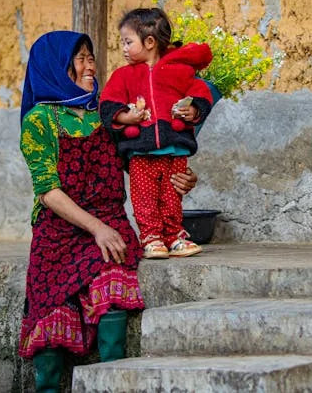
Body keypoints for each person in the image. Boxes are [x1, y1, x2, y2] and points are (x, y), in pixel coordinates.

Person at [18, 30, 198, 391]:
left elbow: (140, 162)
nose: (91, 65)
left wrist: (179, 176)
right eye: (81, 59)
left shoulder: (106, 113)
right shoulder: (39, 121)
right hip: (59, 232)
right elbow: (48, 192)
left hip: (110, 222)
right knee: (50, 316)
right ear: (57, 67)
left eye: (90, 57)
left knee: (113, 290)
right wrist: (96, 228)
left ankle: (112, 384)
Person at [100, 8, 214, 260]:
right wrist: (125, 117)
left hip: (175, 148)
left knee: (171, 196)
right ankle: (151, 237)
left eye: (128, 42)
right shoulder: (123, 76)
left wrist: (192, 109)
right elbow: (107, 105)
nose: (124, 48)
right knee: (144, 197)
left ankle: (174, 235)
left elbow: (201, 95)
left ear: (149, 42)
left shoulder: (181, 71)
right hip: (141, 150)